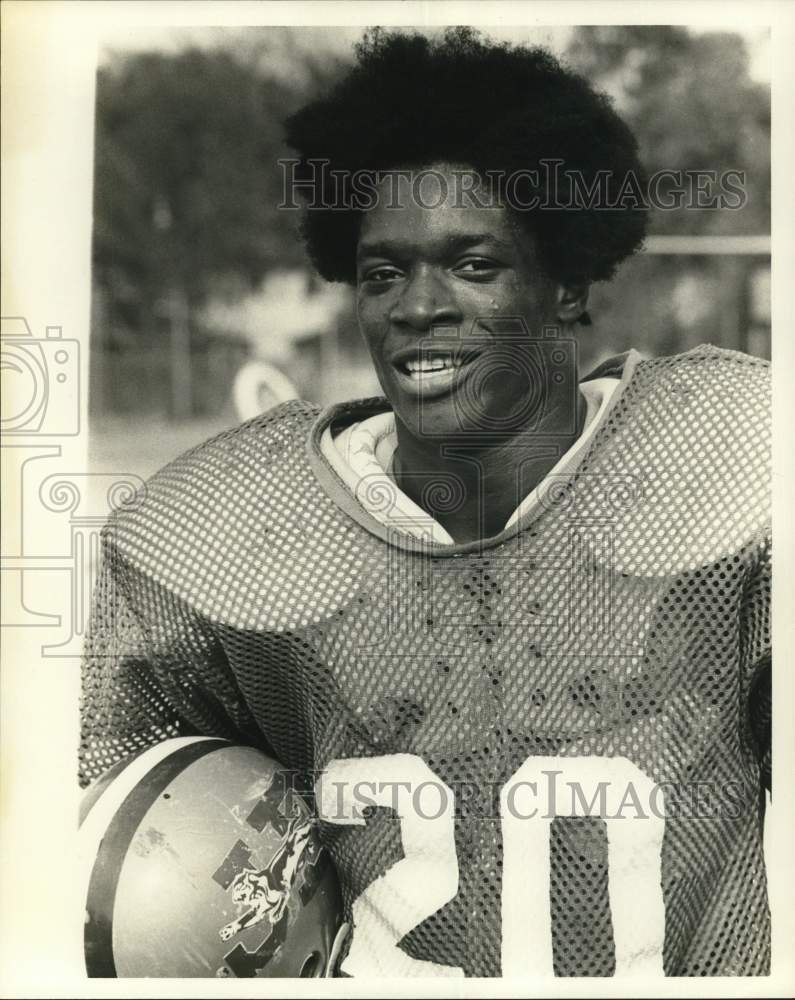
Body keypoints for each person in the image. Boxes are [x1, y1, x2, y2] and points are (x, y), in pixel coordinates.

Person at [80, 28, 771, 977]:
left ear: (566, 281)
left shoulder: (738, 457)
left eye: (473, 265)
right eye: (381, 273)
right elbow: (96, 817)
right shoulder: (223, 536)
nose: (418, 306)